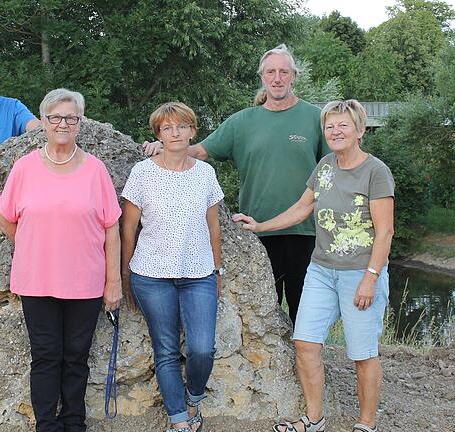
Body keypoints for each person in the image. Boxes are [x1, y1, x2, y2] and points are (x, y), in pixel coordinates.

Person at [233, 99, 395, 432]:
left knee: (362, 352)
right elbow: (301, 209)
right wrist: (259, 226)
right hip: (321, 270)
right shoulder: (324, 166)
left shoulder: (375, 171)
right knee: (305, 343)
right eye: (329, 126)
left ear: (360, 130)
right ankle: (314, 418)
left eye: (343, 125)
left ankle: (366, 424)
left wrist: (371, 277)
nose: (335, 132)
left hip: (360, 273)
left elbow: (385, 231)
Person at [143, 44, 328, 324]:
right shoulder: (242, 122)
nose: (277, 78)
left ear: (294, 76)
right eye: (270, 72)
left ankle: (308, 367)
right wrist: (165, 146)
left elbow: (331, 172)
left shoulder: (317, 118)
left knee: (308, 317)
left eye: (284, 72)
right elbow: (201, 151)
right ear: (262, 77)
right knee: (266, 316)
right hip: (257, 231)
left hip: (307, 231)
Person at [0, 88, 122, 432]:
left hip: (85, 282)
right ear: (45, 123)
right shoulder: (24, 168)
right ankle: (47, 425)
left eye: (70, 117)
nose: (62, 123)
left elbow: (112, 227)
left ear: (80, 123)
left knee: (76, 358)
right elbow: (5, 218)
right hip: (37, 280)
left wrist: (114, 282)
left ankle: (74, 422)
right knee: (46, 357)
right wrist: (36, 245)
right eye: (55, 117)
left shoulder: (96, 170)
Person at [122, 102, 223, 432]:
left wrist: (217, 270)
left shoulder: (205, 173)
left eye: (181, 126)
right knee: (165, 350)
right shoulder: (142, 172)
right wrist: (125, 277)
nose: (175, 132)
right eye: (167, 128)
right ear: (158, 134)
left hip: (199, 275)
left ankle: (194, 400)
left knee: (201, 348)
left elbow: (214, 227)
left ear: (192, 130)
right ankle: (180, 422)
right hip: (151, 276)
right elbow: (128, 229)